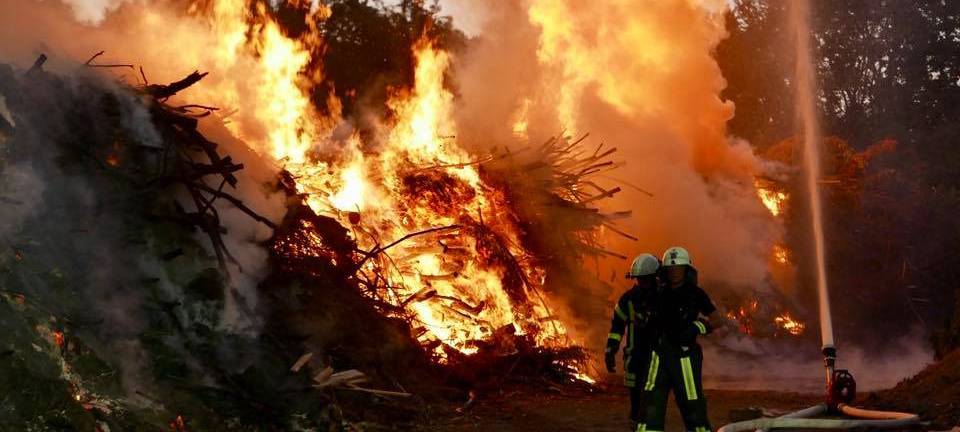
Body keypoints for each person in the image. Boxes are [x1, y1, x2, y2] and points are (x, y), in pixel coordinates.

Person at [640, 246, 720, 432]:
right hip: (659, 356)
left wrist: (697, 327)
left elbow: (717, 320)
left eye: (679, 267)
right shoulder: (657, 293)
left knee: (692, 403)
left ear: (687, 269)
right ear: (665, 271)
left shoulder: (696, 293)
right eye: (671, 268)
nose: (675, 271)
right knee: (651, 401)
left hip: (684, 358)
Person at [605, 253, 662, 431]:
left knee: (654, 399)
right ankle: (636, 426)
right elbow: (617, 328)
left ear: (655, 278)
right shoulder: (627, 300)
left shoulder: (663, 297)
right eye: (639, 280)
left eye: (645, 280)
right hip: (635, 357)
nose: (642, 284)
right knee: (636, 400)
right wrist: (610, 350)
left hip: (658, 357)